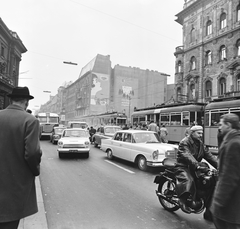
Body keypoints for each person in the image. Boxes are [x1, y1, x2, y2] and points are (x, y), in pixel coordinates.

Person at [0, 86, 42, 229]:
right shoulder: (30, 121)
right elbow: (32, 153)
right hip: (15, 186)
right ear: (27, 102)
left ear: (10, 100)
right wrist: (35, 170)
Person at [175, 125, 218, 218]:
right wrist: (197, 165)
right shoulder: (184, 142)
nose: (201, 135)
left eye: (202, 133)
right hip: (183, 166)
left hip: (195, 167)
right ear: (192, 133)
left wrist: (220, 166)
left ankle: (208, 210)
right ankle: (183, 201)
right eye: (199, 133)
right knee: (189, 181)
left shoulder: (200, 144)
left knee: (209, 182)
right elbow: (186, 155)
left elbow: (209, 156)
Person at [210, 113, 240, 229]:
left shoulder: (233, 144)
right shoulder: (233, 139)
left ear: (228, 125)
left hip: (230, 205)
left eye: (221, 124)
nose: (219, 127)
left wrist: (217, 202)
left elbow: (229, 177)